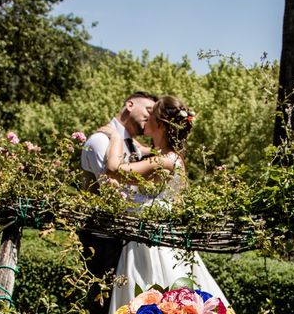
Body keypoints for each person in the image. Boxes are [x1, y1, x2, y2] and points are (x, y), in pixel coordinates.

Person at [98, 95, 230, 312]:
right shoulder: (172, 158)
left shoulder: (164, 161)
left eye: (151, 114)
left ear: (159, 124)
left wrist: (115, 137)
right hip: (161, 239)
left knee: (155, 292)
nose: (146, 118)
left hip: (150, 244)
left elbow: (114, 169)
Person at [79, 91, 158, 314]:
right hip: (103, 240)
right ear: (130, 105)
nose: (151, 118)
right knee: (103, 306)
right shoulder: (100, 140)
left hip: (128, 240)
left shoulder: (134, 145)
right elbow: (113, 192)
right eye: (149, 111)